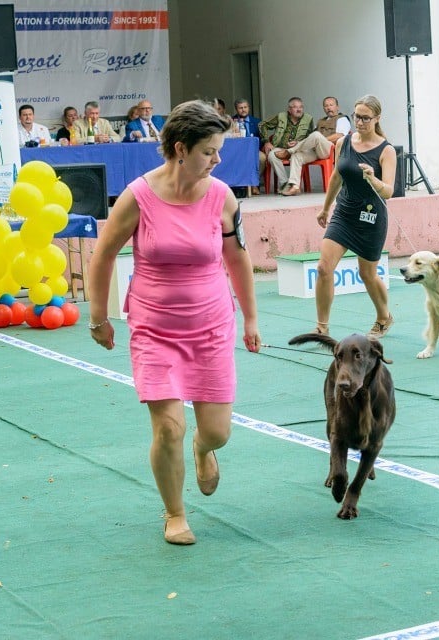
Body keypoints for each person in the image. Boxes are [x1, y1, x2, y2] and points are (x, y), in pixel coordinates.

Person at [86, 100, 261, 546]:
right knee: (168, 428)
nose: (218, 160)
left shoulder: (222, 196)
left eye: (220, 150)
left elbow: (237, 258)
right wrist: (98, 318)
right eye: (210, 151)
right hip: (154, 326)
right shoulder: (139, 196)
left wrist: (251, 318)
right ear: (180, 149)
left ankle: (203, 451)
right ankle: (175, 513)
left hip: (211, 325)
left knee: (217, 432)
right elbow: (103, 254)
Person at [314, 95, 397, 339]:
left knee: (367, 274)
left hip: (371, 217)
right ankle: (322, 327)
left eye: (365, 118)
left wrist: (373, 178)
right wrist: (326, 208)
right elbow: (336, 177)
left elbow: (389, 191)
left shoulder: (386, 150)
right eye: (356, 116)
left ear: (377, 118)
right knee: (323, 268)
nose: (359, 122)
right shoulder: (344, 142)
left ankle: (384, 317)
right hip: (344, 213)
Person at [278, 96, 352, 196]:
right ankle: (295, 186)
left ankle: (289, 151)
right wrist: (299, 143)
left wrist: (320, 140)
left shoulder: (342, 119)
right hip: (316, 150)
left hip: (330, 150)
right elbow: (310, 138)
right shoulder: (321, 121)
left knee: (316, 136)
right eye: (326, 106)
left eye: (331, 105)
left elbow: (340, 135)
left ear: (337, 107)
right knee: (297, 155)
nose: (328, 108)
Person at [259, 97, 314, 192]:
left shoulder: (308, 119)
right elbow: (262, 125)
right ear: (289, 109)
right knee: (272, 155)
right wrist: (266, 141)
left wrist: (299, 142)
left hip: (298, 149)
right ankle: (285, 184)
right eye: (295, 107)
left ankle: (293, 185)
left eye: (301, 107)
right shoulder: (281, 117)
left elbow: (311, 137)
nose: (299, 109)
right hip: (280, 148)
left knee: (298, 156)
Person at [232, 98, 264, 195]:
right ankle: (243, 185)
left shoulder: (257, 122)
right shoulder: (232, 121)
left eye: (245, 107)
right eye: (240, 108)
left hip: (254, 150)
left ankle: (254, 183)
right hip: (238, 152)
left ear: (249, 108)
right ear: (236, 109)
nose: (243, 110)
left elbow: (262, 138)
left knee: (262, 158)